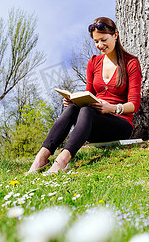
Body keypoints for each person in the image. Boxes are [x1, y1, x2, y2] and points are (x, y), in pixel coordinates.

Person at [27, 17, 142, 174]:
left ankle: (62, 162)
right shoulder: (93, 62)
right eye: (96, 41)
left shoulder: (131, 63)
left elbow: (134, 105)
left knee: (87, 110)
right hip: (93, 126)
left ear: (115, 35)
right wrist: (73, 101)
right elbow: (89, 94)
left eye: (103, 40)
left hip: (120, 125)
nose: (100, 45)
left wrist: (111, 108)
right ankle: (41, 158)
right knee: (75, 107)